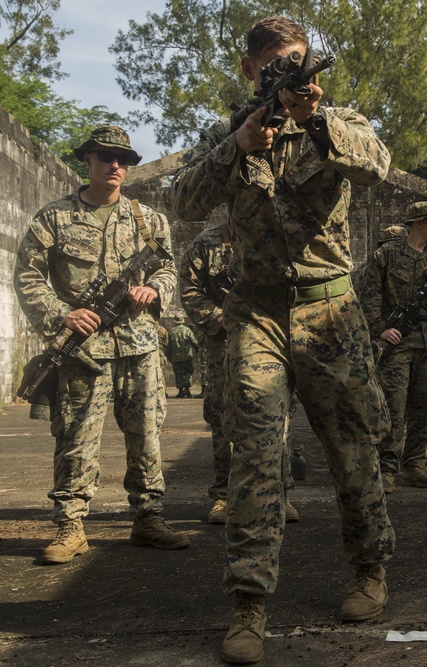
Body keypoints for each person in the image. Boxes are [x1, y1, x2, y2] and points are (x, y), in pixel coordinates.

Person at [171, 15, 394, 664]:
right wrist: (239, 144)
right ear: (249, 70)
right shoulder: (230, 136)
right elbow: (184, 201)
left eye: (295, 62)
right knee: (255, 455)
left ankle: (370, 569)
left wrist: (317, 120)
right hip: (258, 314)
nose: (286, 74)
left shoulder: (339, 121)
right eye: (273, 65)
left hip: (330, 309)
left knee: (354, 448)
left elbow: (377, 168)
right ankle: (248, 603)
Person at [14, 125, 189, 565]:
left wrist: (155, 290)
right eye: (107, 157)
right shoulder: (54, 218)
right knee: (75, 438)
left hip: (139, 345)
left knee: (147, 437)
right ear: (87, 160)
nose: (116, 166)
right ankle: (70, 526)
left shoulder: (149, 220)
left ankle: (148, 518)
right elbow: (28, 277)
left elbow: (169, 270)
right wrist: (62, 314)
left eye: (125, 160)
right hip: (83, 350)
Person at [178, 222, 299, 524]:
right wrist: (226, 319)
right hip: (223, 343)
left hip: (271, 339)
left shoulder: (278, 236)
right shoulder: (205, 243)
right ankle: (224, 496)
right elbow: (190, 291)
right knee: (222, 417)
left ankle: (281, 493)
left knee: (277, 415)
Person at [359, 201, 427, 492]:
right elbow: (368, 297)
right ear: (417, 223)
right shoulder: (385, 255)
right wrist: (380, 330)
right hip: (399, 342)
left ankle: (415, 465)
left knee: (424, 406)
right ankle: (387, 469)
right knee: (393, 408)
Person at [167, 319, 199, 398]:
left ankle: (180, 391)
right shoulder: (187, 330)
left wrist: (170, 357)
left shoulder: (171, 331)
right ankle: (187, 390)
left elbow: (168, 346)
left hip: (176, 357)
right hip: (187, 356)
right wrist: (197, 349)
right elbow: (194, 341)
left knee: (178, 373)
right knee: (188, 372)